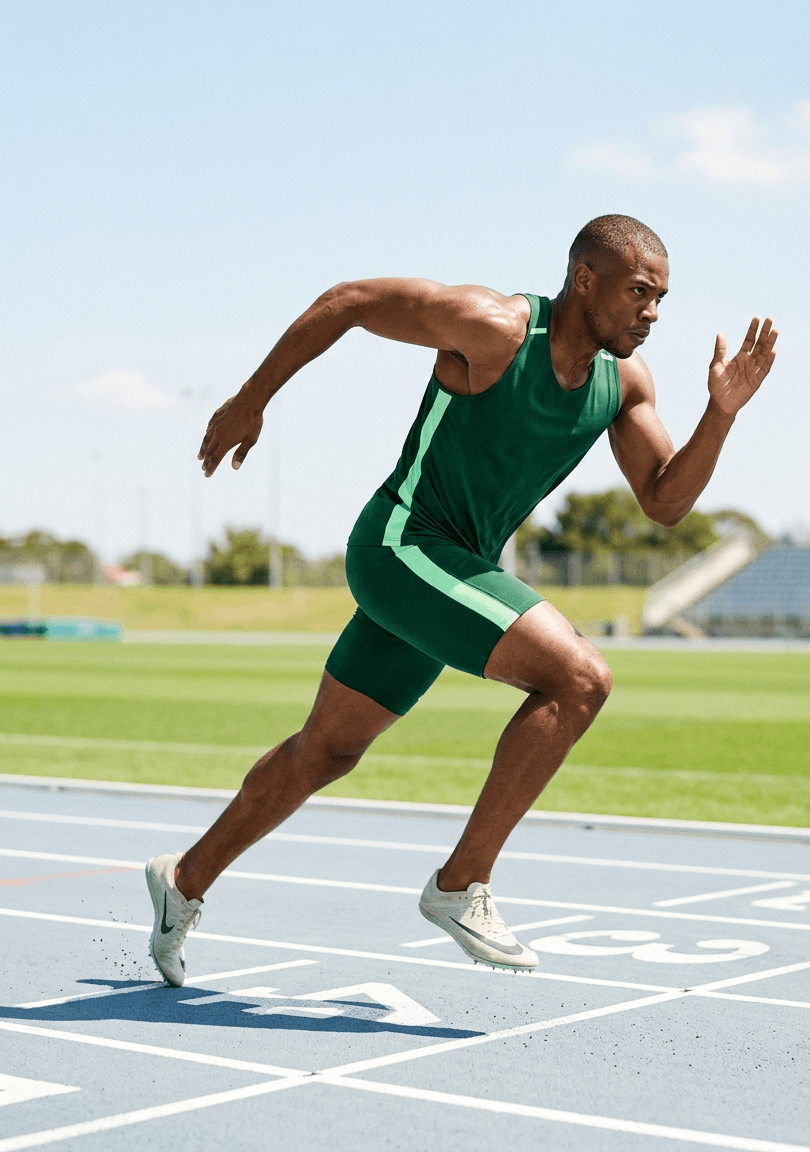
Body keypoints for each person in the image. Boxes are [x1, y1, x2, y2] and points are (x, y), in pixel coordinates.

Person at [144, 214, 777, 982]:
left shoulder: (623, 384)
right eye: (639, 293)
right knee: (580, 678)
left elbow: (665, 500)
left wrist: (722, 412)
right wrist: (252, 398)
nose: (651, 313)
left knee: (327, 750)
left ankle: (184, 880)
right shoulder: (495, 329)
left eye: (661, 300)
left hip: (450, 572)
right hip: (402, 546)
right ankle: (459, 884)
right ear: (585, 279)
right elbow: (349, 299)